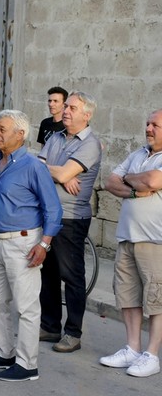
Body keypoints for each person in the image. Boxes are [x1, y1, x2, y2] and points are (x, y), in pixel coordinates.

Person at [0, 110, 63, 382]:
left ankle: (27, 364)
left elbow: (53, 210)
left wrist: (44, 244)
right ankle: (4, 351)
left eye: (2, 129)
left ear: (20, 134)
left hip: (24, 242)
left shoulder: (33, 166)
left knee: (26, 306)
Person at [100, 109, 162, 378]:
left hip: (155, 240)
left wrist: (133, 179)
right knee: (128, 296)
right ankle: (133, 349)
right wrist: (136, 188)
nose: (148, 128)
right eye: (147, 123)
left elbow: (154, 180)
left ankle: (152, 354)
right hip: (127, 237)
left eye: (155, 125)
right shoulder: (138, 154)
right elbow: (110, 181)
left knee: (157, 299)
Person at [38, 91, 102, 353]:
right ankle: (50, 326)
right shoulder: (55, 137)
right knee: (48, 273)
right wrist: (62, 174)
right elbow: (35, 163)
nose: (65, 111)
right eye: (65, 106)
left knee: (72, 276)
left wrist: (61, 173)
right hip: (48, 215)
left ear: (86, 115)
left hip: (71, 218)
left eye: (72, 108)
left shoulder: (90, 144)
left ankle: (73, 333)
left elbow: (52, 169)